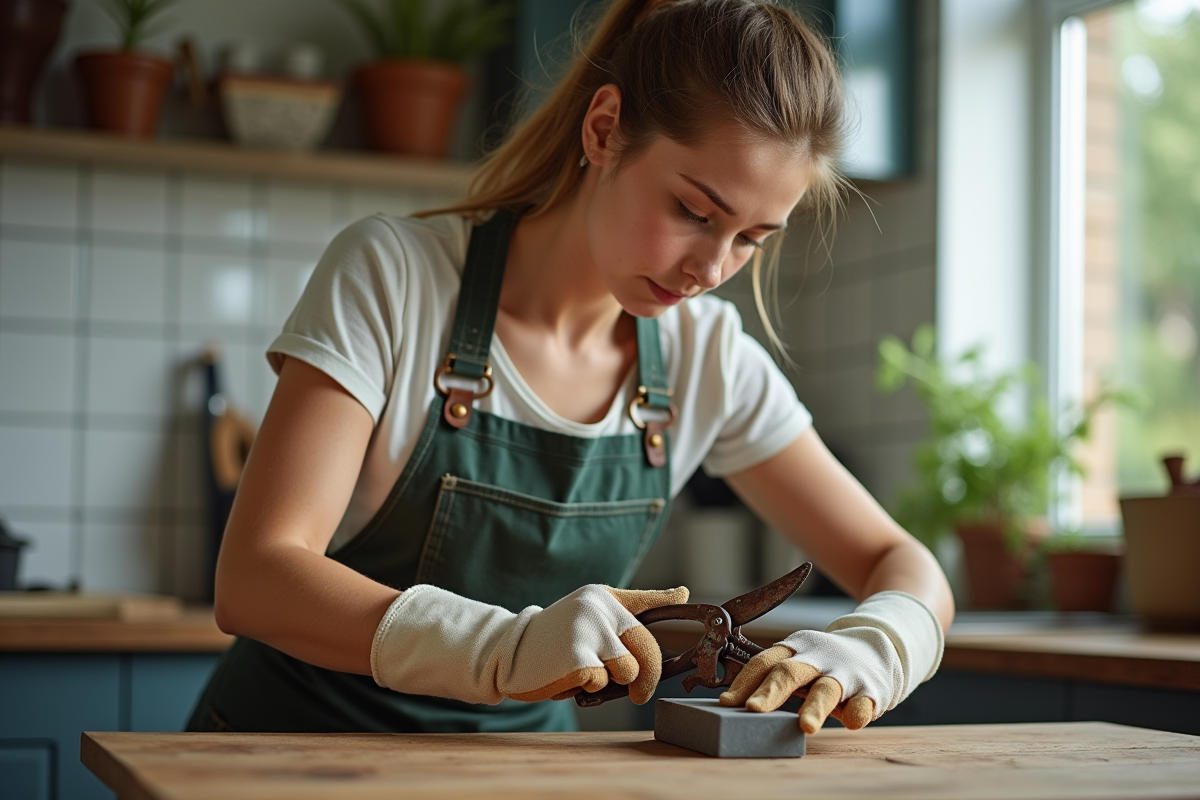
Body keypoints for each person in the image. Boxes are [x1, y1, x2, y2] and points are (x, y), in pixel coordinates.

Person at [187, 0, 954, 736]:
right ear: (604, 130)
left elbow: (900, 561)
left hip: (521, 772)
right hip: (294, 753)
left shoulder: (708, 360)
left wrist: (879, 645)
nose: (712, 269)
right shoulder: (395, 276)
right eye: (694, 212)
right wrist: (505, 649)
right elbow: (257, 576)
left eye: (752, 238)